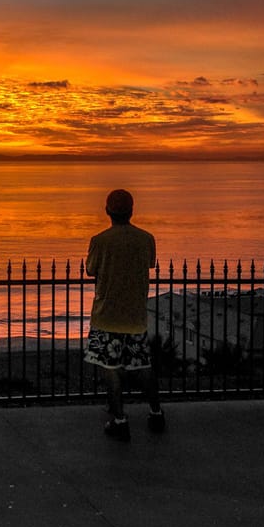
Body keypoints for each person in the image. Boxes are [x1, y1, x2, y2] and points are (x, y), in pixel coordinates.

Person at [83, 189, 163, 441]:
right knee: (144, 365)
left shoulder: (100, 241)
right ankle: (156, 412)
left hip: (107, 315)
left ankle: (119, 420)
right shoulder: (146, 239)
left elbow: (90, 270)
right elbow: (149, 263)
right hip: (135, 314)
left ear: (107, 211)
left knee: (111, 368)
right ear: (131, 211)